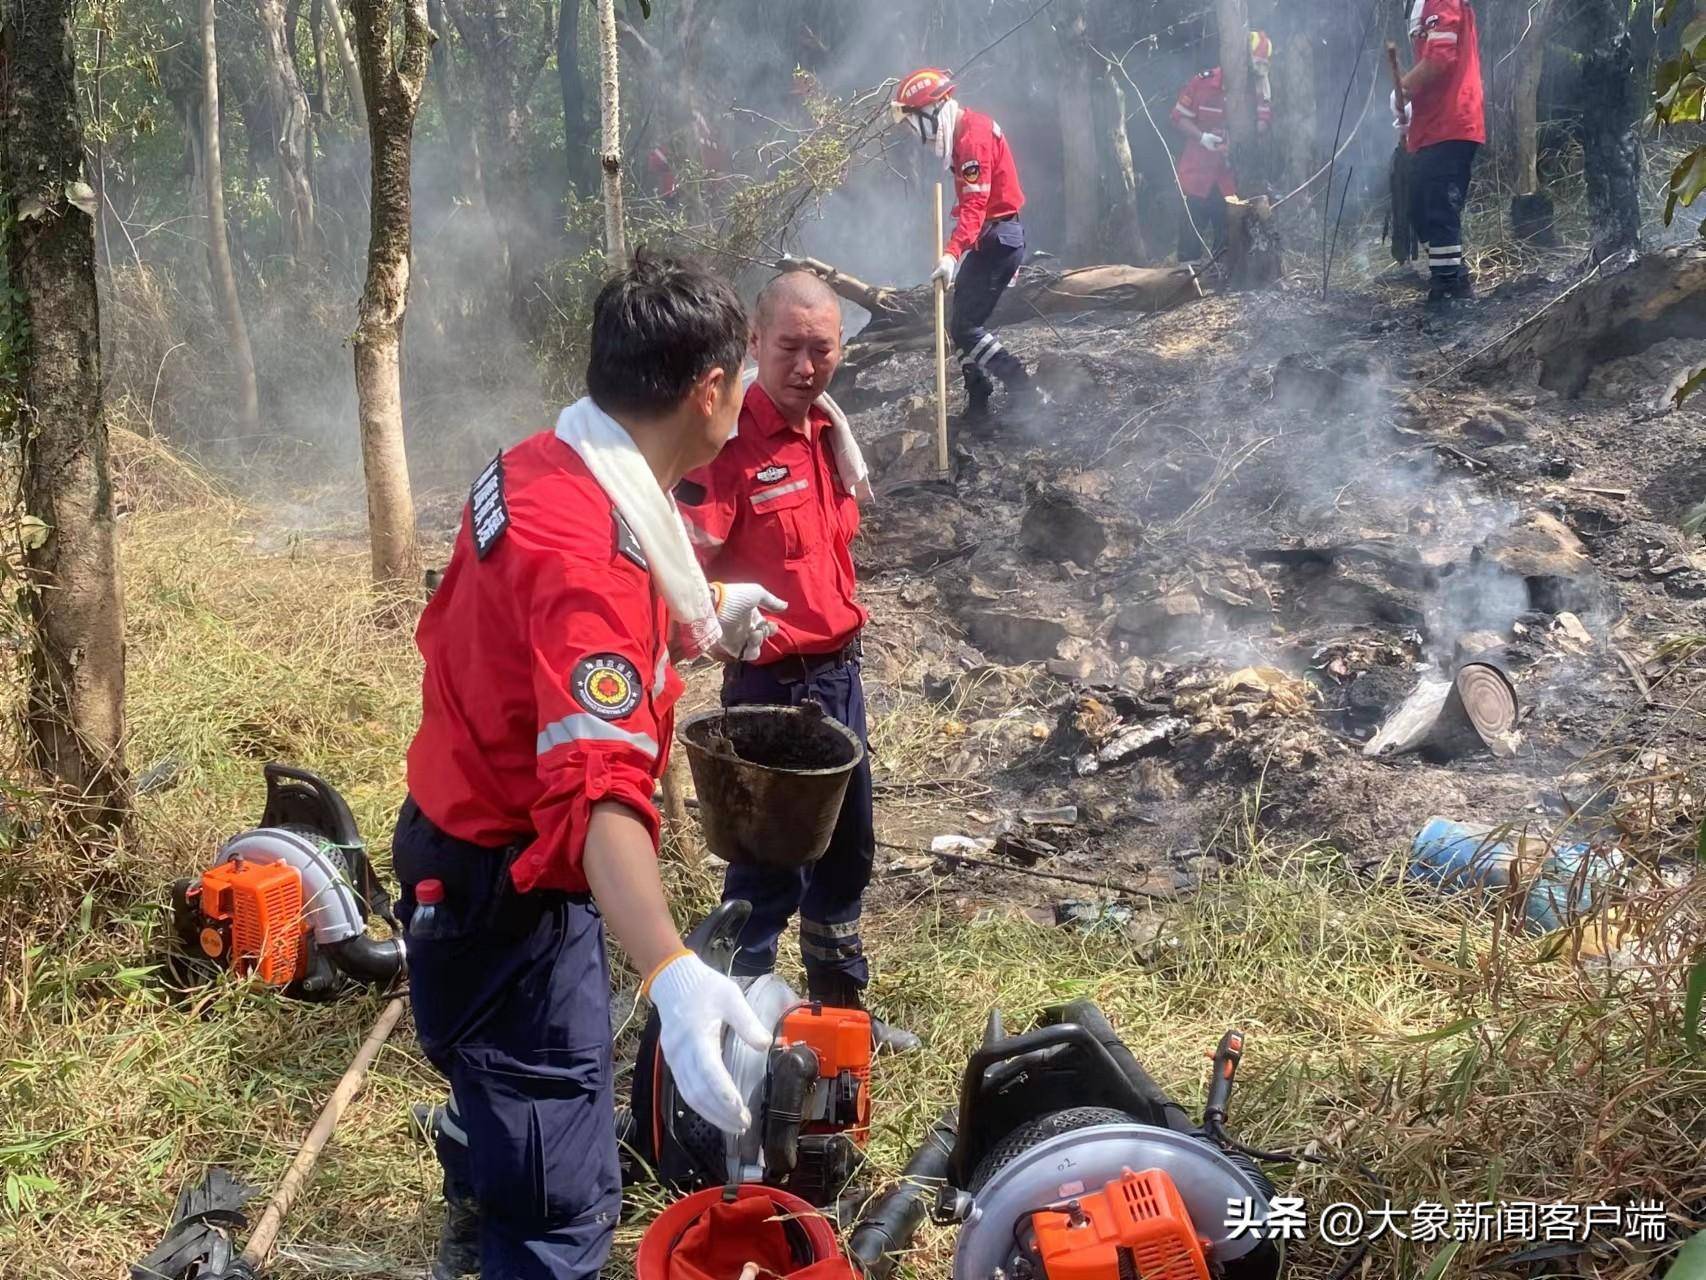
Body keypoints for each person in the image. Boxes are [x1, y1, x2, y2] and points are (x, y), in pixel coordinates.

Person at [395, 252, 793, 1280]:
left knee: (510, 1106)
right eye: (741, 378)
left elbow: (541, 648)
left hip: (459, 843)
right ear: (706, 390)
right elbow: (600, 789)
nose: (746, 396)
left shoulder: (543, 458)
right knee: (562, 1193)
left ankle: (481, 1195)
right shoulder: (588, 558)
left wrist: (690, 619)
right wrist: (669, 968)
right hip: (503, 893)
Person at [675, 271, 920, 1056]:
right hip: (769, 690)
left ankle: (837, 1023)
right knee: (767, 869)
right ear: (754, 342)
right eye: (789, 349)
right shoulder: (727, 440)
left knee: (846, 852)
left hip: (839, 679)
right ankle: (730, 1032)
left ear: (841, 348)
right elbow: (677, 556)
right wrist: (712, 609)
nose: (805, 367)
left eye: (822, 350)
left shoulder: (826, 433)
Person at [892, 67, 1035, 421]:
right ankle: (978, 395)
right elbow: (973, 207)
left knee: (967, 328)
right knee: (959, 321)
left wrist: (952, 254)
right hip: (991, 239)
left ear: (932, 110)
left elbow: (976, 206)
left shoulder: (972, 138)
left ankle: (1021, 386)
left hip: (1000, 240)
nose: (918, 138)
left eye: (915, 125)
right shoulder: (964, 135)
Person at [1394, 0, 1485, 304]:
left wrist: (1404, 89)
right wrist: (1411, 108)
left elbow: (1440, 57)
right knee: (1421, 206)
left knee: (1438, 208)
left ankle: (1448, 291)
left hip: (1453, 121)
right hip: (1433, 126)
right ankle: (1453, 278)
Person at [1170, 31, 1274, 261]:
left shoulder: (1256, 90)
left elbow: (1263, 124)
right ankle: (1186, 284)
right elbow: (1179, 117)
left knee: (1226, 245)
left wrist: (1241, 135)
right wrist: (1202, 137)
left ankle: (1221, 286)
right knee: (1189, 243)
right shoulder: (1203, 82)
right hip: (1196, 175)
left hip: (1228, 182)